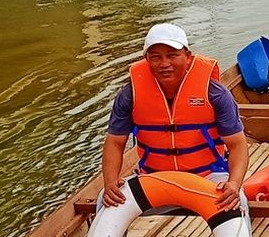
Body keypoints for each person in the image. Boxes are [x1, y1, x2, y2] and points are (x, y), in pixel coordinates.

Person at [101, 23, 249, 210]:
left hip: (208, 177)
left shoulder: (215, 93)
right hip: (153, 178)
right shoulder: (129, 95)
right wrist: (110, 182)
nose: (164, 64)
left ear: (187, 56)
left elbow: (237, 144)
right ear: (146, 59)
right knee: (105, 202)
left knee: (238, 202)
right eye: (156, 57)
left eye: (172, 55)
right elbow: (114, 142)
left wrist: (234, 183)